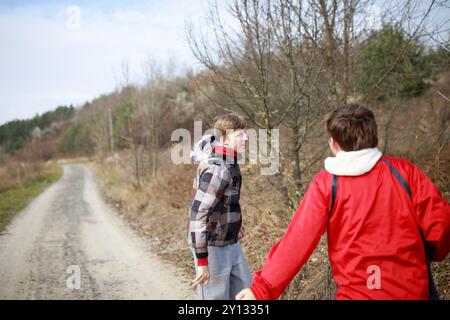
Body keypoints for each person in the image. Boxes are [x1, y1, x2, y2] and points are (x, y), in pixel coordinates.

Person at [236, 104, 450, 300]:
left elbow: (297, 240)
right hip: (413, 291)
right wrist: (431, 254)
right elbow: (440, 226)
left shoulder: (327, 184)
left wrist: (261, 289)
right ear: (374, 136)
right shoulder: (404, 172)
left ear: (333, 143)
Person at [188, 113, 252, 300]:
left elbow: (225, 201)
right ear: (223, 139)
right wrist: (202, 261)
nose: (246, 138)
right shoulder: (218, 169)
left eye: (245, 133)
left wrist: (235, 223)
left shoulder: (230, 161)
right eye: (239, 134)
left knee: (245, 293)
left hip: (230, 241)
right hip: (211, 246)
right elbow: (197, 216)